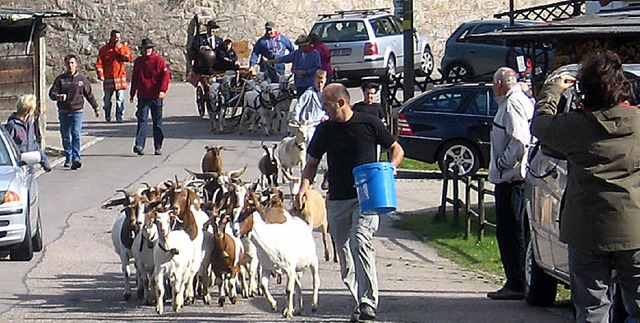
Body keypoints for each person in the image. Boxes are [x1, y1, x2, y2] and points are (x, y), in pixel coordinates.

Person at [531, 50, 640, 322]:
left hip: (586, 228)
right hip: (635, 227)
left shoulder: (576, 126)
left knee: (592, 308)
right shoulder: (638, 123)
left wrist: (551, 91)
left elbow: (541, 125)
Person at [296, 83, 404, 322]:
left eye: (327, 104)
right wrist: (304, 186)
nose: (324, 109)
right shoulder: (325, 130)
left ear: (341, 103)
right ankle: (359, 300)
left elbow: (396, 149)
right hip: (338, 198)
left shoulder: (369, 123)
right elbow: (312, 163)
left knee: (360, 241)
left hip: (367, 197)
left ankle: (367, 302)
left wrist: (390, 169)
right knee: (344, 255)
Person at [486, 67, 534, 300]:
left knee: (511, 231)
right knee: (515, 230)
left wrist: (504, 163)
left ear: (499, 83)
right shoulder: (521, 100)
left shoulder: (512, 104)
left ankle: (516, 281)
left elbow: (520, 140)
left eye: (494, 84)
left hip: (512, 179)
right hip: (515, 177)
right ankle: (519, 279)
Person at [48, 54, 100, 170]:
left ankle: (76, 158)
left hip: (77, 111)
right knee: (66, 136)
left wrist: (95, 108)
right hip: (64, 111)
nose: (70, 65)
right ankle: (68, 156)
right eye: (68, 63)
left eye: (72, 63)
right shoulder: (61, 80)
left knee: (76, 134)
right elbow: (51, 94)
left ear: (76, 64)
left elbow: (89, 95)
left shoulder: (82, 80)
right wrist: (58, 97)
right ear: (65, 65)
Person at [130, 38, 171, 156]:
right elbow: (135, 77)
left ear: (152, 49)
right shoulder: (139, 62)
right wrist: (133, 93)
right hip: (143, 95)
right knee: (142, 120)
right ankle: (139, 145)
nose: (147, 50)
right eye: (145, 48)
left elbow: (165, 76)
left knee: (157, 122)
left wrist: (162, 90)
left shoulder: (159, 61)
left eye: (149, 48)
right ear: (142, 49)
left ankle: (158, 146)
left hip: (156, 96)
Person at [4, 94, 51, 172]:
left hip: (30, 168)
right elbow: (7, 147)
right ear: (29, 110)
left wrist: (45, 162)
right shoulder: (12, 126)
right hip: (17, 168)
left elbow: (34, 144)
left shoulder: (30, 124)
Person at [95, 29, 133, 122]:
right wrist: (100, 74)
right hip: (108, 78)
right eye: (115, 37)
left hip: (120, 78)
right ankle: (107, 115)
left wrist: (119, 49)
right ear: (111, 37)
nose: (117, 39)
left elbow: (128, 58)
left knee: (120, 99)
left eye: (119, 38)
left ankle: (119, 116)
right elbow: (99, 63)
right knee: (107, 100)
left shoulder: (123, 48)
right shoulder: (104, 49)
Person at [290, 69, 328, 146]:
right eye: (318, 83)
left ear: (325, 81)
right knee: (310, 146)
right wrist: (296, 119)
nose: (320, 85)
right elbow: (299, 105)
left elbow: (329, 110)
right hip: (309, 126)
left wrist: (326, 116)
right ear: (314, 80)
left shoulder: (326, 94)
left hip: (321, 124)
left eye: (322, 83)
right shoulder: (309, 93)